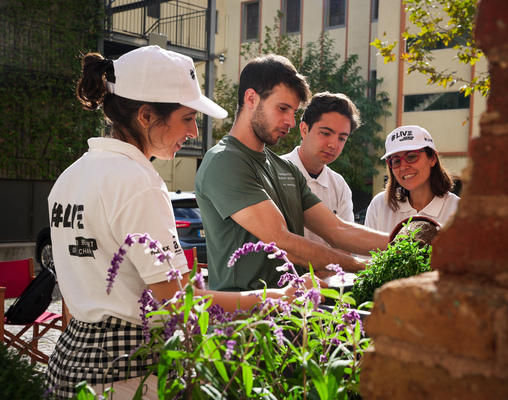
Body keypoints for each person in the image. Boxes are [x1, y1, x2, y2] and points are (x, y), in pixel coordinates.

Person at [44, 46, 319, 398]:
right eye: (188, 117)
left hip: (70, 364)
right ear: (146, 116)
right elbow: (178, 303)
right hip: (127, 374)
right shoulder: (138, 182)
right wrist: (273, 296)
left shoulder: (71, 175)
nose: (193, 131)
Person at [195, 54, 389, 292]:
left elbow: (338, 230)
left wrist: (403, 244)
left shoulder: (285, 168)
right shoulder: (224, 161)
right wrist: (362, 266)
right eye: (283, 108)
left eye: (294, 112)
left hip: (293, 314)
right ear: (251, 98)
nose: (290, 121)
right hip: (245, 322)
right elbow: (282, 241)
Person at [281, 92, 360, 247]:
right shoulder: (274, 172)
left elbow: (346, 246)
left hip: (333, 271)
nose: (333, 144)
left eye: (342, 138)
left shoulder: (339, 185)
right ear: (304, 129)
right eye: (325, 133)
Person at [365, 125, 460, 234]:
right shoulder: (380, 205)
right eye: (396, 160)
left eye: (411, 156)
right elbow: (365, 251)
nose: (403, 167)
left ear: (432, 158)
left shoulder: (459, 210)